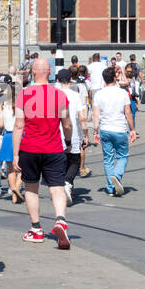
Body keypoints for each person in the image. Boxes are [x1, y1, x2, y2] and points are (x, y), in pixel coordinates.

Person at [14, 57, 73, 247]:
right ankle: (60, 219)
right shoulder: (60, 96)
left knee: (31, 188)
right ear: (49, 72)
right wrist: (69, 141)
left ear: (33, 72)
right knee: (57, 187)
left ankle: (36, 229)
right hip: (53, 147)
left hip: (29, 148)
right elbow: (67, 123)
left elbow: (18, 126)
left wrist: (15, 154)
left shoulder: (24, 94)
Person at [93, 66, 137, 196]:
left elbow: (95, 115)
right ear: (114, 78)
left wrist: (95, 131)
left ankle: (111, 188)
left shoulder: (99, 94)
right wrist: (132, 129)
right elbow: (128, 112)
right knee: (123, 156)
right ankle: (116, 177)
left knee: (108, 159)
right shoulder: (122, 93)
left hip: (105, 129)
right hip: (120, 129)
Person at [54, 68, 86, 205]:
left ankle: (66, 188)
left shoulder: (54, 95)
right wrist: (85, 134)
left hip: (56, 133)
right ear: (70, 80)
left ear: (58, 80)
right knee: (75, 160)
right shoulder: (75, 95)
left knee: (61, 162)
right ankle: (67, 183)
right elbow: (82, 117)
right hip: (71, 132)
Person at [0, 81, 22, 203]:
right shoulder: (21, 104)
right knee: (23, 167)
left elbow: (1, 124)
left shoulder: (3, 104)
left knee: (10, 167)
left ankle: (13, 189)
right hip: (20, 135)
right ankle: (16, 188)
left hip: (8, 136)